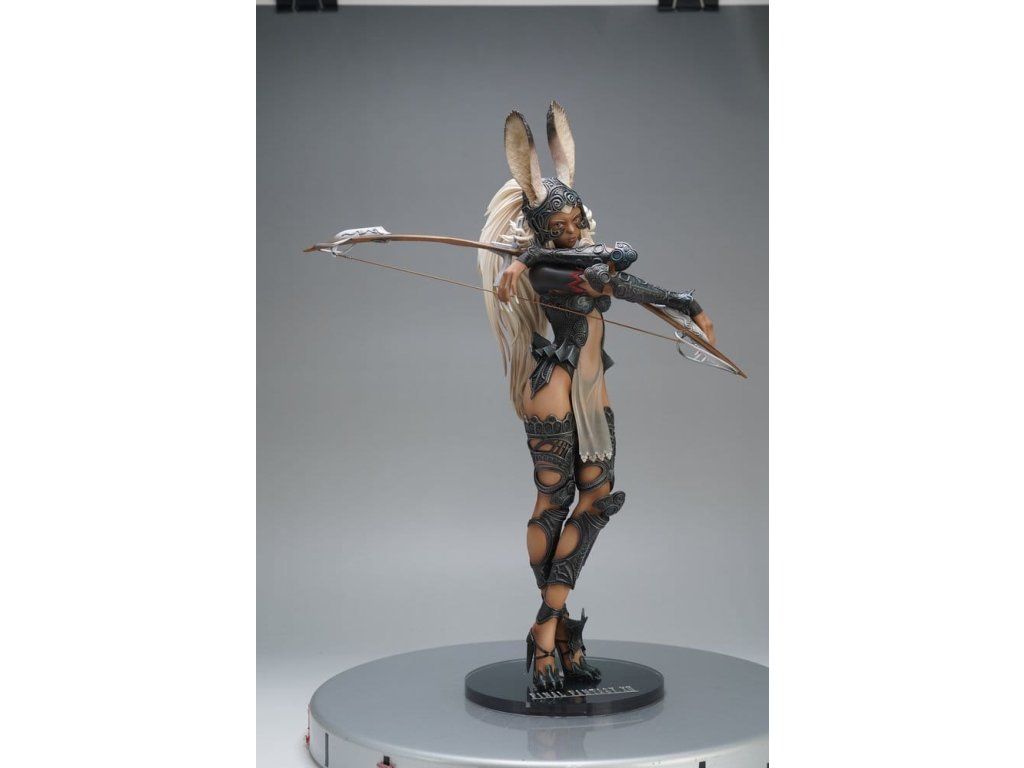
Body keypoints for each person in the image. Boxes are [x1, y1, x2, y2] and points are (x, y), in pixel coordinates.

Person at [478, 103, 716, 691]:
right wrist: (527, 260)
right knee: (555, 500)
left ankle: (549, 624)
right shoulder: (549, 269)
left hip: (591, 389)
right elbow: (611, 278)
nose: (571, 231)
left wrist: (687, 305)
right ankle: (551, 632)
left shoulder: (567, 259)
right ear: (540, 232)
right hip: (554, 386)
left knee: (597, 498)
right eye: (556, 227)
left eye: (575, 221)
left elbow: (617, 272)